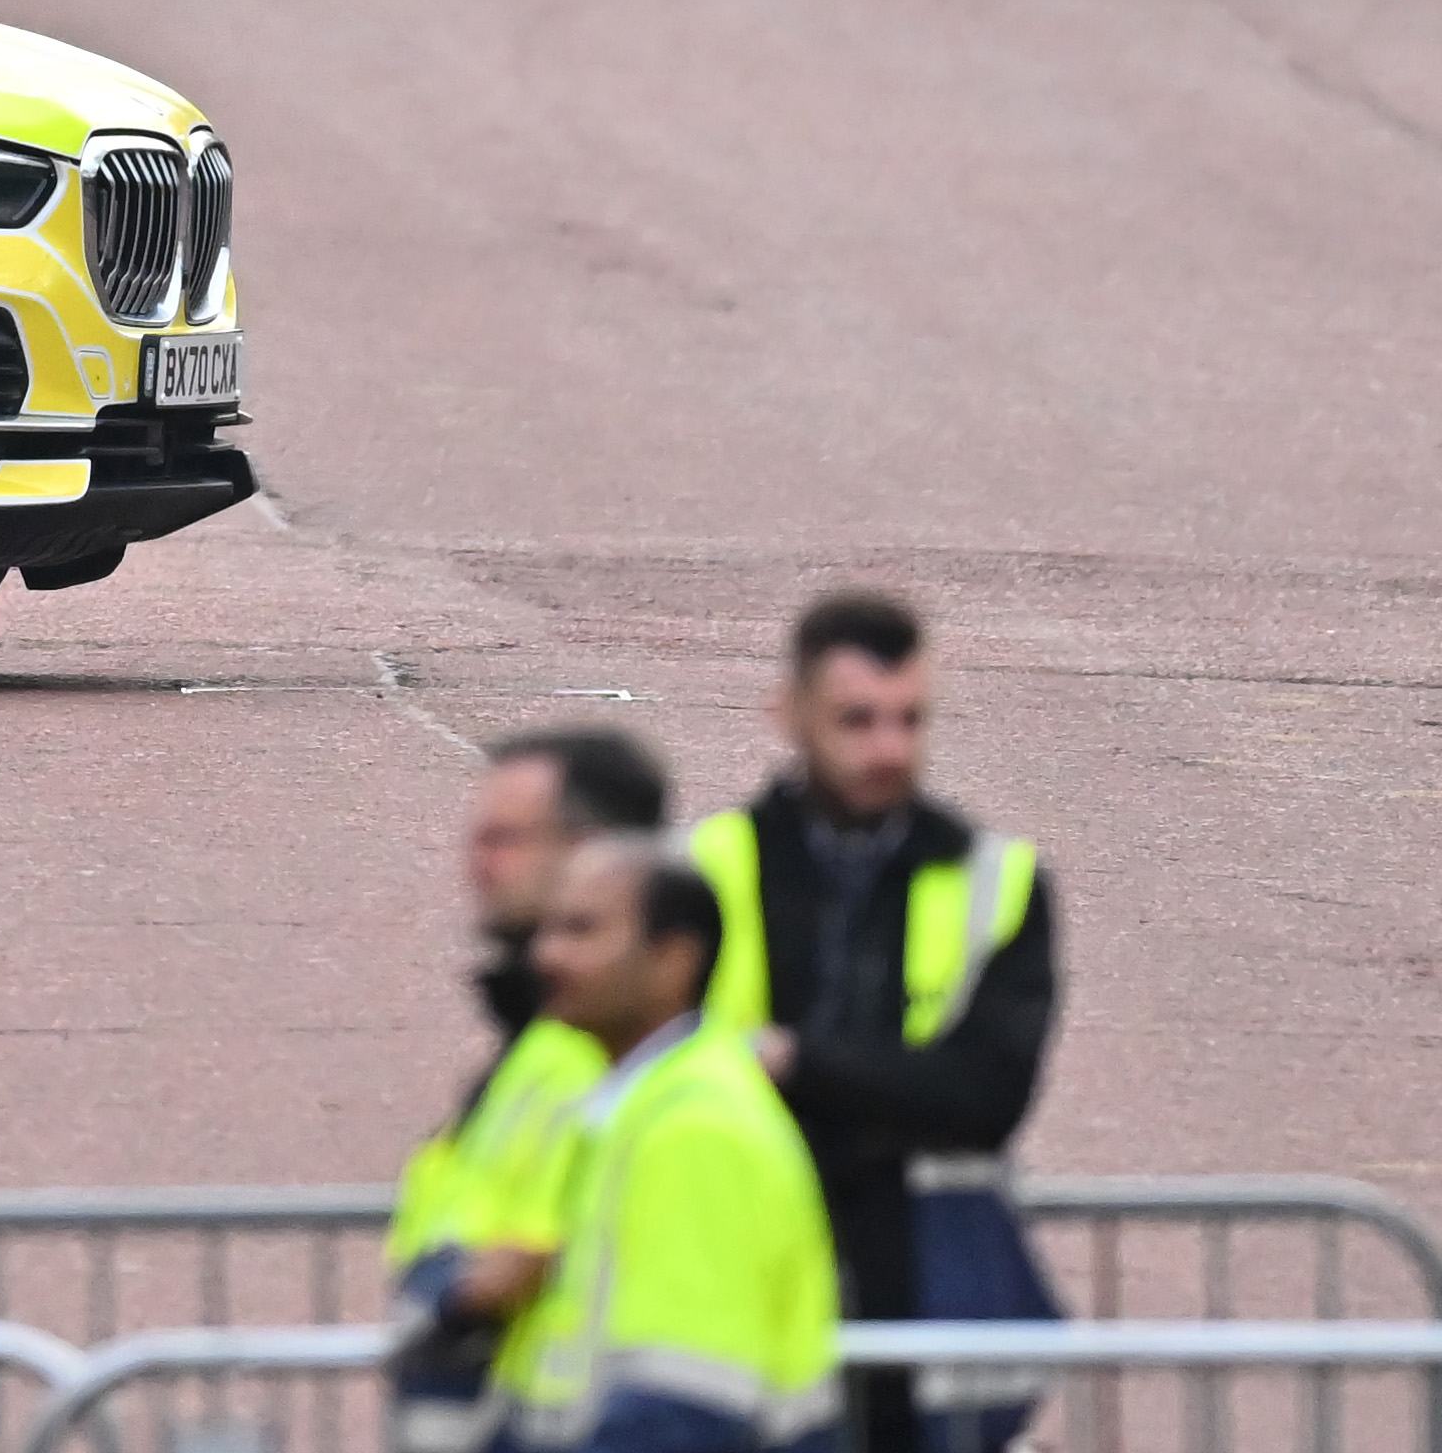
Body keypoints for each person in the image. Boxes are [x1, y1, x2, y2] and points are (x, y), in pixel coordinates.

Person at [679, 594, 1058, 1447]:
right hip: (738, 1285)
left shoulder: (1000, 885)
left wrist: (788, 1062)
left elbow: (986, 1097)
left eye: (910, 719)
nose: (889, 748)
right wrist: (893, 1088)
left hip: (920, 1291)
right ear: (788, 714)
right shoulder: (698, 874)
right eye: (857, 720)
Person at [442, 830, 842, 1453]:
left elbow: (682, 1407)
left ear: (674, 961)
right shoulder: (633, 1108)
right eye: (550, 930)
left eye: (582, 932)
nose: (547, 955)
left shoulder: (697, 1129)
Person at [382, 727, 678, 1392]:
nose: (478, 864)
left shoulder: (602, 1052)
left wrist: (460, 1297)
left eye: (506, 841)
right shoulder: (547, 1036)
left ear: (589, 856)